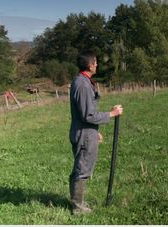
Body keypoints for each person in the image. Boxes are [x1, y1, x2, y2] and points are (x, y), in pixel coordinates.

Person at [69, 51, 123, 215]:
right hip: (84, 134)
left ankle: (77, 202)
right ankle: (78, 207)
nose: (97, 65)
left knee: (81, 167)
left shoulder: (82, 81)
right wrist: (111, 114)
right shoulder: (83, 84)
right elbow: (88, 115)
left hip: (86, 131)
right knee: (82, 168)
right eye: (96, 62)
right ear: (90, 65)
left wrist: (94, 131)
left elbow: (85, 114)